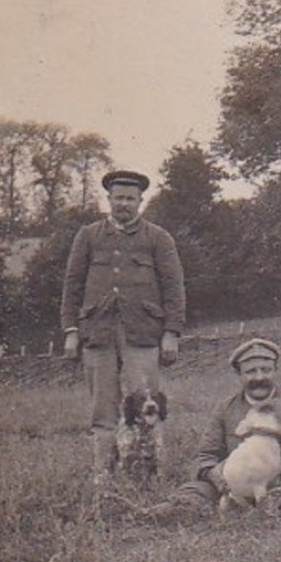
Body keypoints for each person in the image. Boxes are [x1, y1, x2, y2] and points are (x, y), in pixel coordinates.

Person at [60, 169, 187, 477]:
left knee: (145, 405)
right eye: (119, 198)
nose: (124, 204)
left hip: (143, 334)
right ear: (109, 199)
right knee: (102, 409)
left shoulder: (158, 237)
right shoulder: (88, 236)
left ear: (141, 201)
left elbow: (174, 286)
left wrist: (171, 332)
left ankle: (145, 474)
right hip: (97, 334)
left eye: (131, 199)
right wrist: (71, 330)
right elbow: (73, 284)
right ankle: (103, 477)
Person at [142, 338, 281, 520]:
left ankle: (273, 516)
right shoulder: (225, 409)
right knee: (195, 491)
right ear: (239, 374)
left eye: (266, 370)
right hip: (237, 482)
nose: (259, 377)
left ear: (276, 370)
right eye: (251, 371)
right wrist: (212, 473)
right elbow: (205, 455)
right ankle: (158, 515)